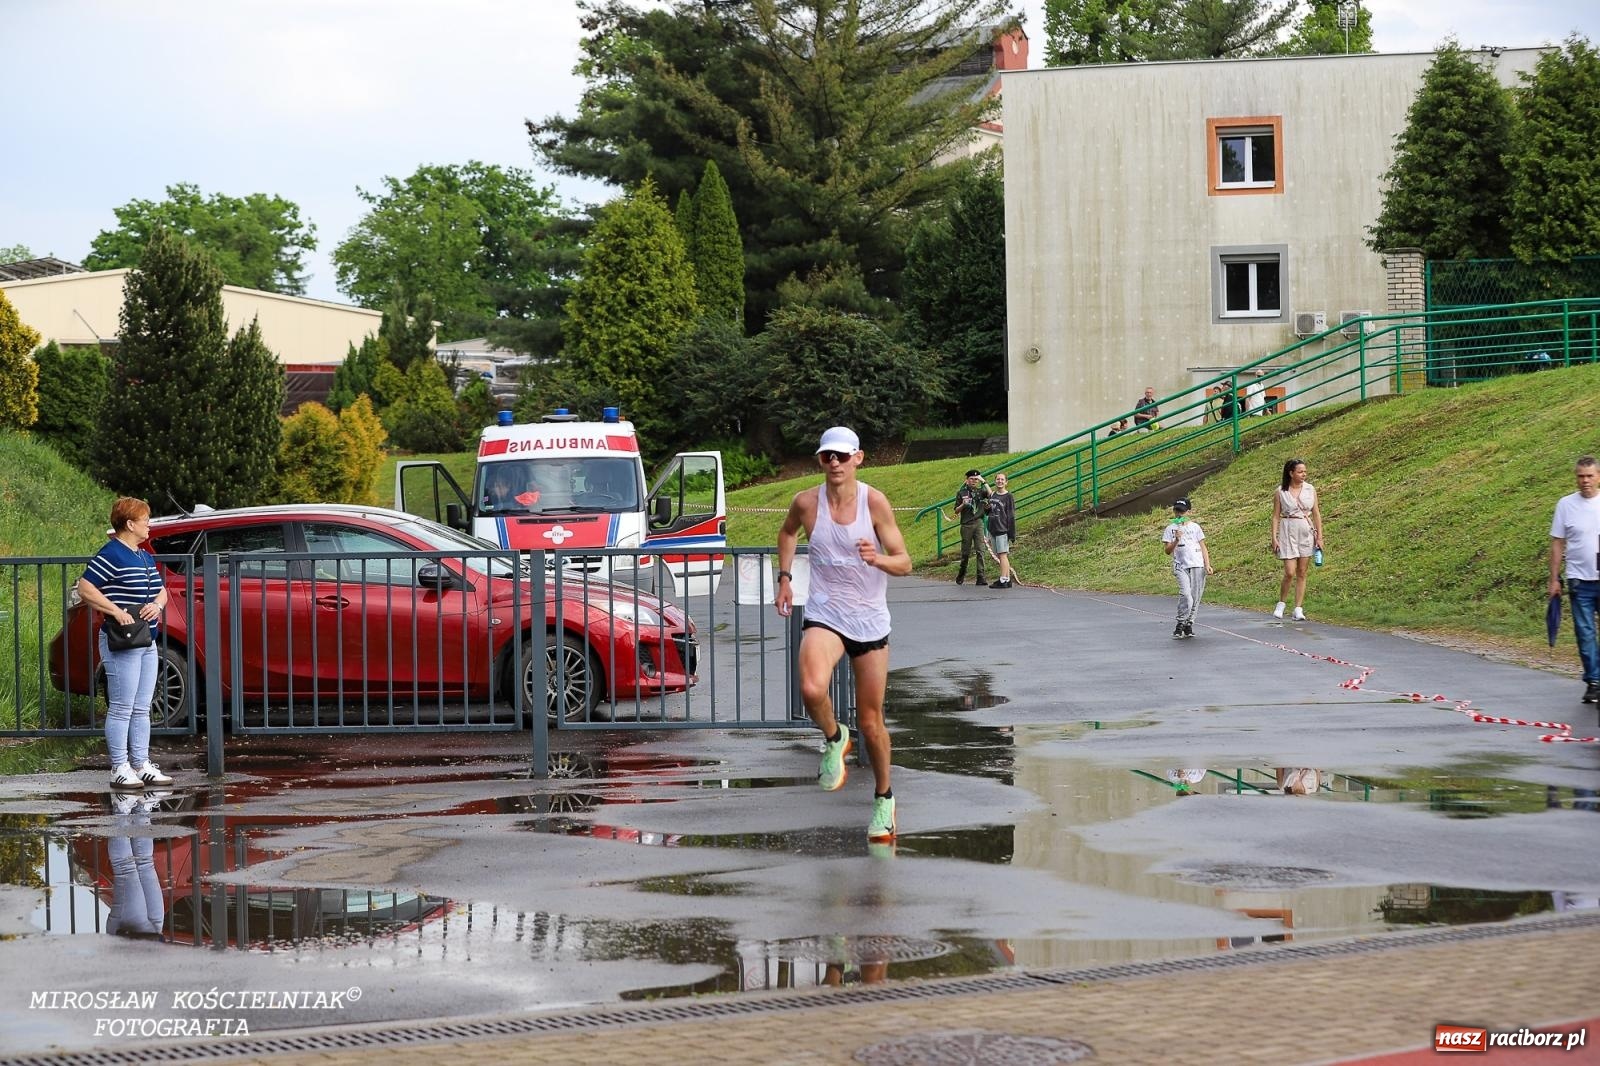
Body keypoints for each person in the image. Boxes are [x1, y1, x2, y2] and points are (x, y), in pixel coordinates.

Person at [776, 426, 913, 842]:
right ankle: (835, 738)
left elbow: (905, 562)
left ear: (858, 458)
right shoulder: (805, 503)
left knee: (872, 723)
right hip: (826, 614)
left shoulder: (874, 502)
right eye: (826, 456)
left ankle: (884, 800)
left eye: (841, 455)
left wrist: (878, 560)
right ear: (819, 460)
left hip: (869, 622)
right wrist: (784, 578)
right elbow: (786, 533)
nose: (833, 463)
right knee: (811, 687)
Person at [76, 497, 173, 791]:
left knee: (142, 707)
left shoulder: (143, 556)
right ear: (130, 524)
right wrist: (115, 611)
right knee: (121, 707)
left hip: (147, 640)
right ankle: (119, 767)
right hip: (122, 641)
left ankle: (141, 764)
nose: (149, 525)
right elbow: (85, 587)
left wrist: (157, 605)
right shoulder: (111, 554)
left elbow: (162, 591)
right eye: (145, 520)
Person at [1548, 455, 1600, 704]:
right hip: (1579, 580)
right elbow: (1558, 542)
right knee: (1585, 632)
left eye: (1590, 476)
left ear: (1598, 476)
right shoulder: (1566, 504)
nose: (1585, 481)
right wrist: (1554, 578)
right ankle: (1593, 681)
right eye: (1581, 476)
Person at [106, 793, 166, 939]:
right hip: (154, 937)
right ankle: (141, 809)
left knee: (125, 868)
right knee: (145, 863)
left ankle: (120, 808)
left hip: (129, 935)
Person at [1271, 458, 1323, 621]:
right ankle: (1281, 603)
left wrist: (1319, 536)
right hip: (1288, 530)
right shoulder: (1281, 491)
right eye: (1300, 472)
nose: (1303, 474)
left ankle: (1298, 608)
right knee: (1289, 572)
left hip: (1305, 530)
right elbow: (1275, 516)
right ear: (1291, 473)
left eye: (1305, 471)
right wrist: (1274, 537)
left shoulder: (1310, 489)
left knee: (1302, 571)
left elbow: (1316, 513)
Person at [1162, 496, 1212, 637]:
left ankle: (1189, 623)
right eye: (1177, 511)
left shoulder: (1195, 527)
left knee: (1195, 597)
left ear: (1189, 512)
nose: (1179, 514)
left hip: (1197, 564)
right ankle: (1180, 621)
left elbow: (1203, 547)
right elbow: (1167, 551)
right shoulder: (1170, 529)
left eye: (1182, 512)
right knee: (1186, 595)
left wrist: (1207, 564)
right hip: (1181, 565)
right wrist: (1177, 539)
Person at [951, 469, 991, 587]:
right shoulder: (961, 492)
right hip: (966, 524)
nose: (974, 481)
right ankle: (962, 573)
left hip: (978, 522)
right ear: (967, 480)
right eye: (971, 479)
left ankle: (981, 576)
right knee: (966, 552)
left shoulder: (980, 491)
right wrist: (963, 504)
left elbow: (990, 494)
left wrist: (983, 481)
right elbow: (956, 510)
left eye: (976, 479)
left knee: (980, 550)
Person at [986, 473, 1018, 589]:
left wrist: (1011, 533)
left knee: (1002, 554)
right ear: (995, 481)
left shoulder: (1008, 496)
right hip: (992, 528)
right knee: (1000, 555)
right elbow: (989, 511)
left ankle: (1003, 579)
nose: (1000, 481)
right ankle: (1007, 578)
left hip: (1002, 529)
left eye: (1002, 479)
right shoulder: (993, 495)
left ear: (1006, 482)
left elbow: (1011, 515)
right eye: (998, 479)